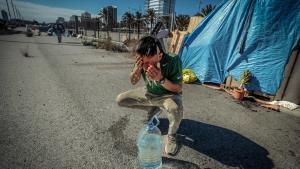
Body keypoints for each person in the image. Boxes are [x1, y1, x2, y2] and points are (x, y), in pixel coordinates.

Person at [116, 36, 183, 156]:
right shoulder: (142, 60)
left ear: (160, 56)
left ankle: (172, 135)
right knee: (121, 100)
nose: (146, 66)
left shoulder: (173, 60)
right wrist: (135, 71)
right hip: (149, 92)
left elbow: (177, 88)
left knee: (174, 109)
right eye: (144, 62)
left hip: (168, 95)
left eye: (149, 62)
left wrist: (161, 79)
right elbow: (133, 81)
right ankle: (153, 108)